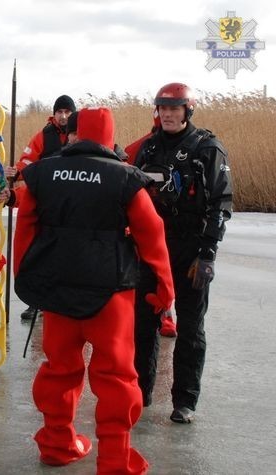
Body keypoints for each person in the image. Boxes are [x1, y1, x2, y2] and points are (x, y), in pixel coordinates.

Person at [14, 107, 174, 473]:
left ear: (74, 133)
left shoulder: (43, 173)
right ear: (109, 137)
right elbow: (153, 235)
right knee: (116, 375)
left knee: (58, 368)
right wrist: (165, 288)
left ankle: (56, 442)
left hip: (57, 293)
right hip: (111, 294)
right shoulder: (125, 178)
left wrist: (26, 278)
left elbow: (25, 226)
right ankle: (115, 459)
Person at [133, 82, 233, 423]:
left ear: (187, 111)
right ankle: (140, 394)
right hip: (153, 249)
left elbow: (221, 203)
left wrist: (208, 254)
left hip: (192, 249)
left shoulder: (208, 148)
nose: (168, 114)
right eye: (163, 109)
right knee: (143, 323)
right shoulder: (147, 149)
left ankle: (185, 400)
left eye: (175, 109)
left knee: (190, 327)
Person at [7, 94, 76, 321]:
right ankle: (35, 303)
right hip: (48, 204)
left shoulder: (82, 133)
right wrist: (16, 173)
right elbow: (28, 162)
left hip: (73, 207)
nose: (64, 116)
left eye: (67, 112)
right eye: (60, 112)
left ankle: (64, 300)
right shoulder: (43, 137)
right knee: (40, 257)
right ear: (54, 114)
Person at [125, 110, 177, 338]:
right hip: (149, 222)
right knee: (155, 272)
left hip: (164, 224)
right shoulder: (141, 147)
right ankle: (162, 315)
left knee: (161, 272)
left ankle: (165, 315)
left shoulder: (191, 146)